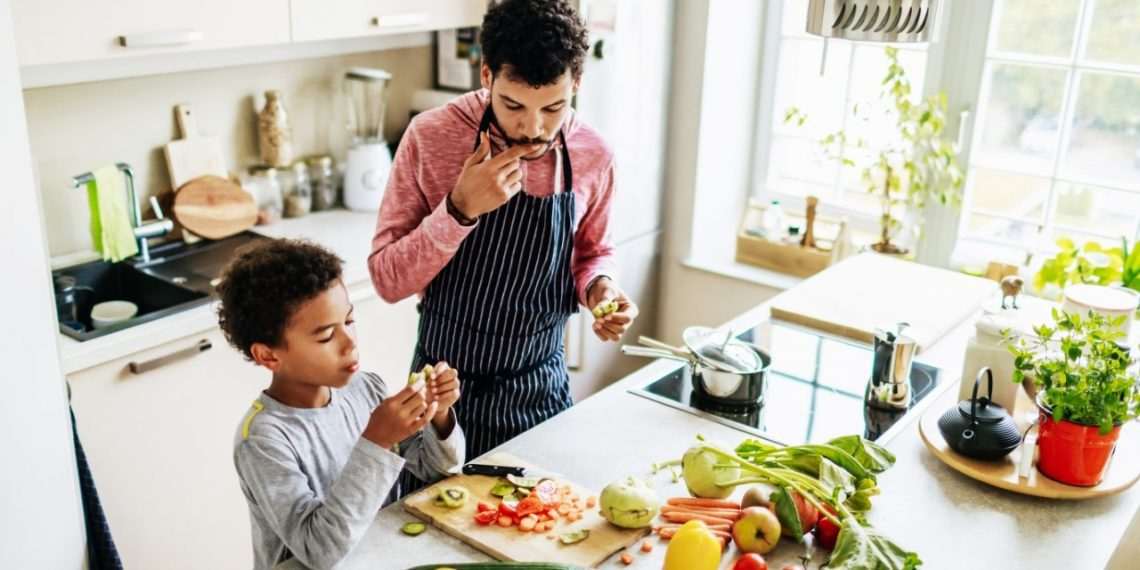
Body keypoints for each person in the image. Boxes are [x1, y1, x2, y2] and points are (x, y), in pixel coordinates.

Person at [368, 0, 638, 471]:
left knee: (541, 531)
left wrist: (601, 289)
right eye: (513, 105)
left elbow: (594, 251)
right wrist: (459, 209)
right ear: (487, 75)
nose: (532, 128)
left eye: (554, 107)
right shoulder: (431, 137)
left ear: (577, 83)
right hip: (441, 396)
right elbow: (387, 280)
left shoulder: (593, 154)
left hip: (540, 391)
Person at [217, 239, 464, 569]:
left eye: (348, 321)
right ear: (268, 355)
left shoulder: (365, 389)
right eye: (325, 336)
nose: (350, 344)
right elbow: (320, 551)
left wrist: (440, 416)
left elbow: (439, 471)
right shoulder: (263, 439)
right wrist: (376, 441)